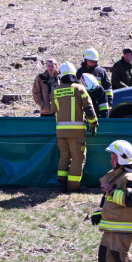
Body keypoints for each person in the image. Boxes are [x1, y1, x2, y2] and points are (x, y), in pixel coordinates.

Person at [53, 62, 98, 192]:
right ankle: (73, 187)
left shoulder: (55, 91)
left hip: (60, 133)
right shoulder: (79, 89)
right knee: (78, 158)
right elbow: (89, 108)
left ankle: (62, 184)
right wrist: (93, 124)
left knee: (64, 157)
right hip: (77, 132)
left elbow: (53, 109)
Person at [76, 49, 113, 117]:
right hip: (84, 103)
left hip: (99, 102)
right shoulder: (79, 72)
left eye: (94, 61)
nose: (93, 63)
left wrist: (109, 102)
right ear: (85, 60)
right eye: (90, 61)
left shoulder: (101, 72)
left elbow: (108, 88)